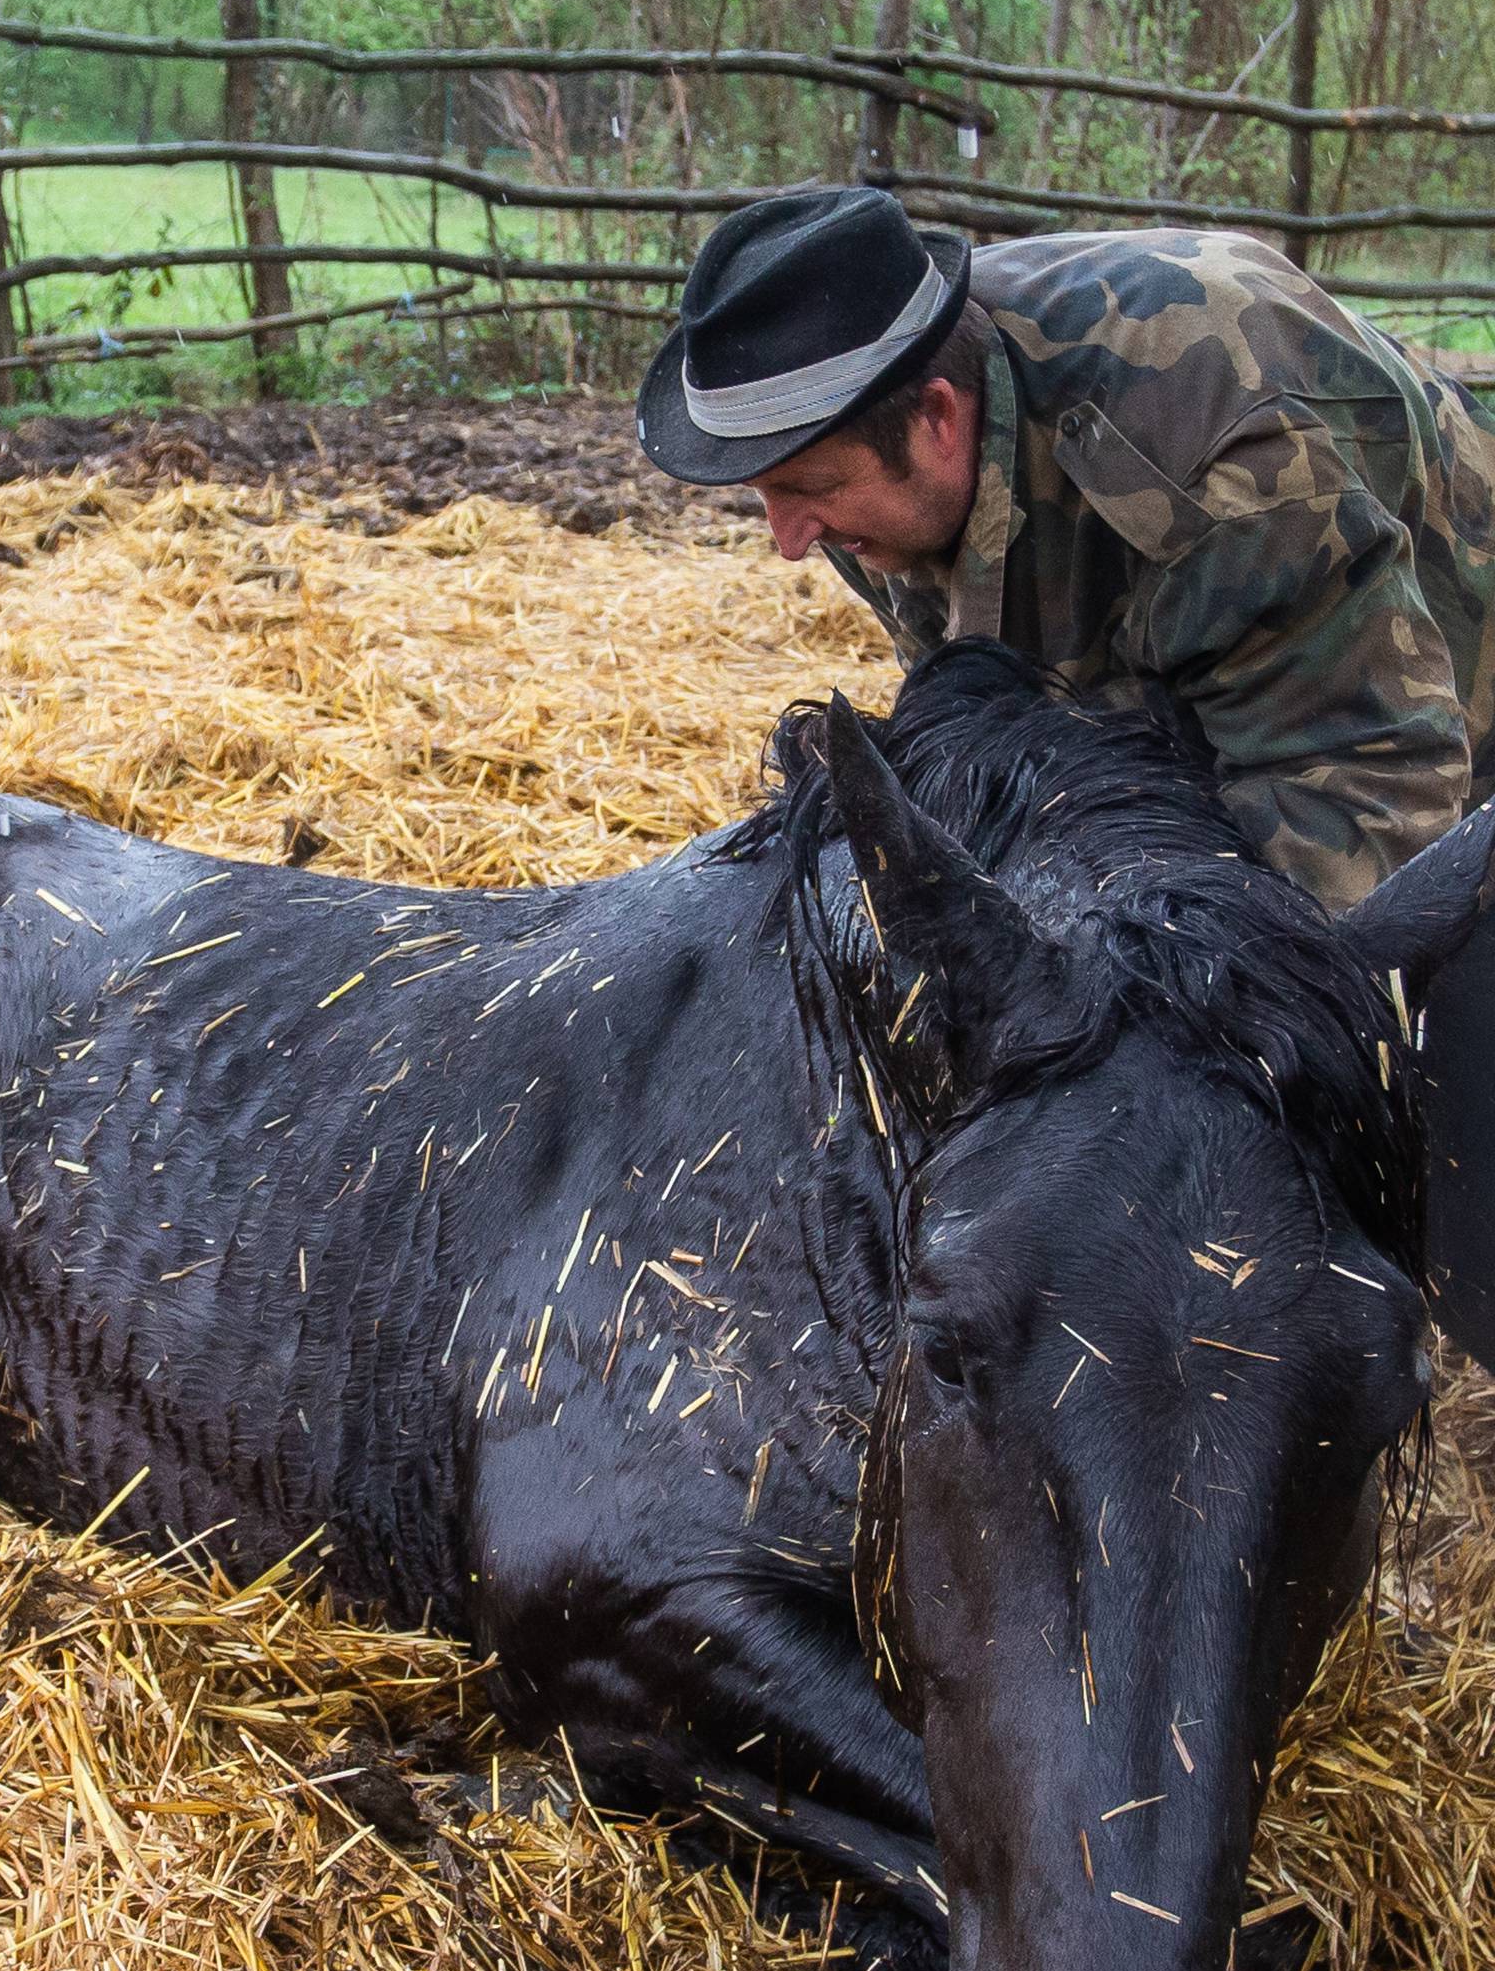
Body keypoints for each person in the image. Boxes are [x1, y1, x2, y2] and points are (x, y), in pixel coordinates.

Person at [633, 187, 1495, 1356]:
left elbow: (1365, 780)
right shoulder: (887, 442)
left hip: (1425, 693)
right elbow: (1002, 693)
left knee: (1407, 1048)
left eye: (808, 491)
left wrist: (1203, 1095)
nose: (787, 537)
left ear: (937, 417)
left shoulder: (1207, 444)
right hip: (1203, 652)